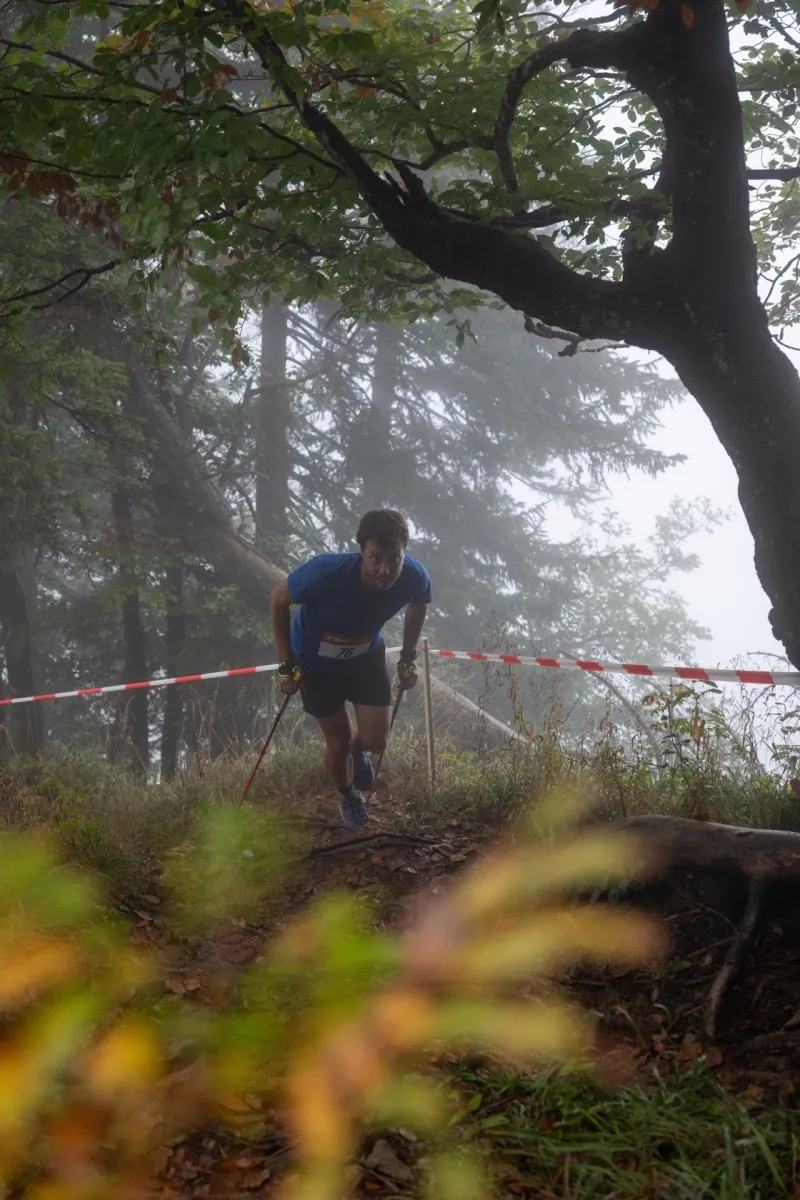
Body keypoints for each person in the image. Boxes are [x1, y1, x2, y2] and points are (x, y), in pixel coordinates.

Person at [270, 509, 431, 828]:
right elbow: (278, 599)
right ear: (361, 551)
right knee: (338, 741)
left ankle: (360, 755)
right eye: (375, 558)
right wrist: (287, 664)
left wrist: (408, 657)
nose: (384, 570)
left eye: (394, 559)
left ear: (404, 554)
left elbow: (419, 604)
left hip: (365, 657)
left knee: (375, 740)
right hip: (315, 664)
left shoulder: (414, 576)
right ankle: (348, 795)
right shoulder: (326, 571)